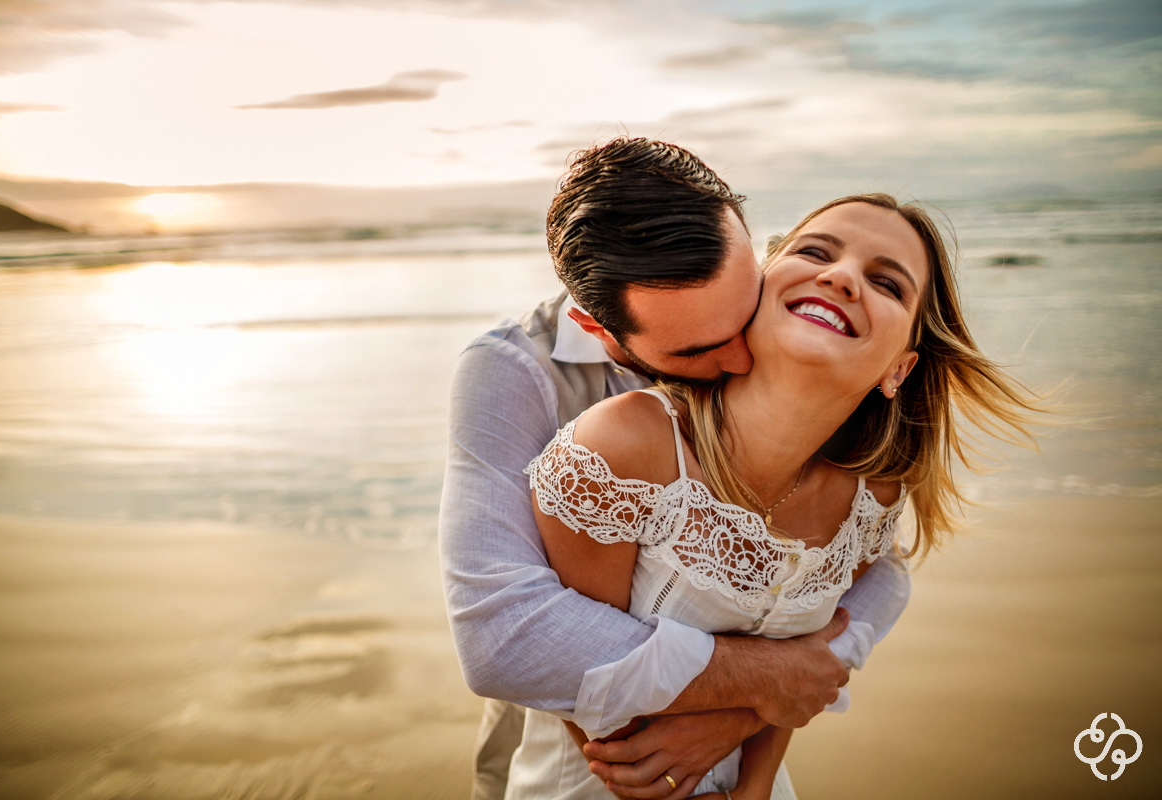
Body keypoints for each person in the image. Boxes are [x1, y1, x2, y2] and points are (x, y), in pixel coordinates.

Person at [511, 193, 1045, 798]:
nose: (842, 277)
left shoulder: (871, 499)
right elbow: (584, 680)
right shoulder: (626, 448)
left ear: (898, 368)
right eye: (816, 251)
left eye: (887, 283)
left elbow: (798, 666)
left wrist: (755, 786)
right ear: (757, 291)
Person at [439, 138, 913, 800]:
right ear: (601, 332)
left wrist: (749, 712)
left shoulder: (782, 342)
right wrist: (764, 682)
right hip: (559, 707)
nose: (745, 361)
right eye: (700, 351)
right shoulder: (516, 373)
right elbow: (508, 639)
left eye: (744, 314)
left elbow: (870, 564)